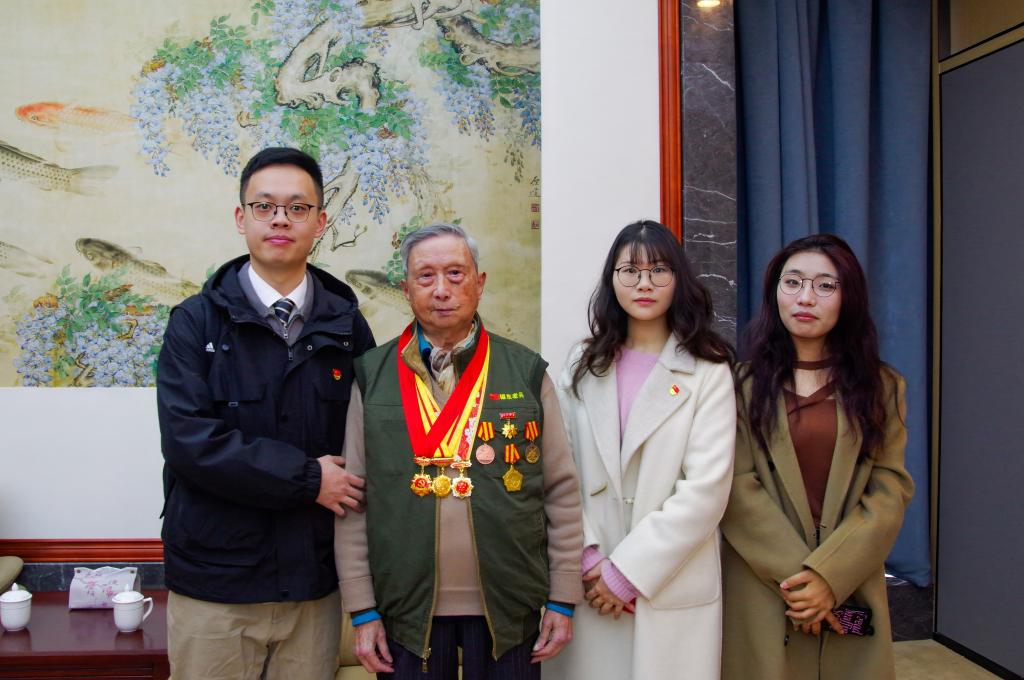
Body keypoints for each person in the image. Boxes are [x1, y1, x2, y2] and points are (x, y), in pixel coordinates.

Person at [156, 147, 375, 680]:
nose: (280, 219)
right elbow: (189, 442)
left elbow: (371, 439)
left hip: (313, 584)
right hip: (215, 585)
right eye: (264, 206)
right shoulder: (195, 322)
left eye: (297, 208)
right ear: (242, 218)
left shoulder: (347, 325)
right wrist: (308, 479)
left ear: (320, 222)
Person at [334, 223, 584, 680]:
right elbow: (353, 500)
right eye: (425, 276)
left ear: (479, 282)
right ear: (406, 289)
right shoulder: (372, 377)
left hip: (511, 608)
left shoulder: (525, 372)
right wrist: (362, 608)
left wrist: (563, 597)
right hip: (403, 613)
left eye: (455, 273)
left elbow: (561, 492)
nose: (441, 290)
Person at [548, 220, 737, 679]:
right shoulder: (582, 364)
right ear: (612, 280)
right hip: (590, 580)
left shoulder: (708, 371)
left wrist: (627, 573)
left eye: (659, 271)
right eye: (629, 271)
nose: (644, 284)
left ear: (679, 279)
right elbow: (559, 469)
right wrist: (589, 558)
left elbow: (705, 492)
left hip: (669, 583)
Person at [720, 234, 914, 680]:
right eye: (793, 282)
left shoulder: (882, 386)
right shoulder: (739, 385)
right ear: (775, 292)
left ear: (849, 297)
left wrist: (830, 576)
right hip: (764, 583)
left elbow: (890, 487)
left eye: (825, 285)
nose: (806, 297)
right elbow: (736, 486)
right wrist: (802, 583)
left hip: (849, 581)